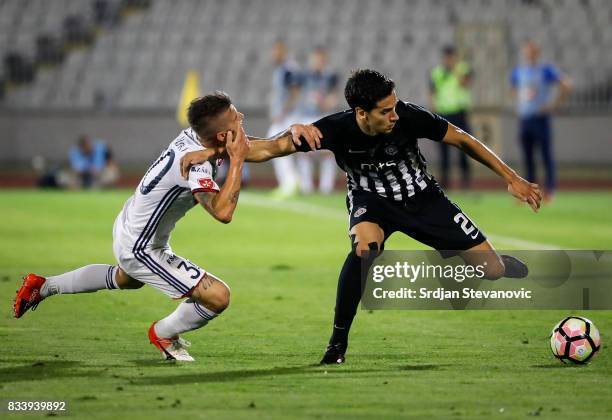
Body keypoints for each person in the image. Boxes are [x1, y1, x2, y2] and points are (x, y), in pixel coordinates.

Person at [180, 70, 542, 365]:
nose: (394, 115)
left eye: (394, 107)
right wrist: (212, 151)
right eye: (385, 111)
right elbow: (270, 148)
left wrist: (513, 178)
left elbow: (462, 139)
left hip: (423, 199)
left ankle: (498, 263)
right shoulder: (335, 129)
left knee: (490, 271)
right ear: (361, 113)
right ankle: (337, 343)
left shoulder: (410, 116)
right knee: (364, 250)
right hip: (372, 201)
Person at [14, 92, 320, 362]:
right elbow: (224, 212)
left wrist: (298, 135)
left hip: (131, 224)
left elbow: (265, 148)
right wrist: (236, 162)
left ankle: (43, 285)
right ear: (222, 136)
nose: (241, 117)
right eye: (234, 117)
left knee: (127, 279)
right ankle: (163, 333)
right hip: (141, 246)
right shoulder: (195, 167)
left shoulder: (199, 139)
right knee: (217, 297)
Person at [510, 40, 571, 203]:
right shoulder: (518, 72)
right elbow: (513, 90)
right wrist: (520, 105)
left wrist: (553, 105)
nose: (529, 54)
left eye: (532, 51)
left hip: (540, 118)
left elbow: (566, 84)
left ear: (537, 53)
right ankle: (528, 192)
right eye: (527, 51)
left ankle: (550, 190)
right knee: (528, 157)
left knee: (545, 156)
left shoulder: (545, 70)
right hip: (525, 120)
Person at [294, 46, 340, 194]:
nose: (318, 62)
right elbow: (297, 94)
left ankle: (326, 188)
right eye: (315, 59)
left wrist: (325, 102)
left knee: (328, 152)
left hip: (324, 116)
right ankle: (306, 187)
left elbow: (334, 97)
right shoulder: (304, 75)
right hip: (307, 116)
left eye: (320, 59)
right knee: (305, 152)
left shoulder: (331, 76)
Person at [429, 45, 473, 189]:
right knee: (444, 152)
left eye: (451, 56)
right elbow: (432, 92)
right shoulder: (437, 73)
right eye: (447, 57)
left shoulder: (462, 69)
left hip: (460, 113)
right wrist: (433, 109)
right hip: (443, 114)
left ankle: (466, 182)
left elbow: (465, 84)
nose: (449, 59)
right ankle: (445, 183)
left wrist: (455, 70)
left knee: (464, 148)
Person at [267, 40, 301, 198]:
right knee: (277, 145)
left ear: (283, 51)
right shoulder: (281, 69)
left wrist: (284, 112)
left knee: (274, 144)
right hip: (285, 115)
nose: (273, 54)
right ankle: (292, 182)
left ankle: (289, 183)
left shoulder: (289, 69)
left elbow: (295, 92)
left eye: (276, 50)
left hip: (288, 116)